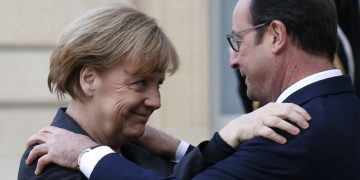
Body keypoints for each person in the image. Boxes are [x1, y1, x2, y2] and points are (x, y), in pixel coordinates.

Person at [18, 2, 312, 180]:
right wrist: (224, 138)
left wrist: (181, 150)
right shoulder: (48, 164)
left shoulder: (145, 149)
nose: (155, 101)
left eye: (158, 84)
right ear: (88, 79)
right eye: (140, 83)